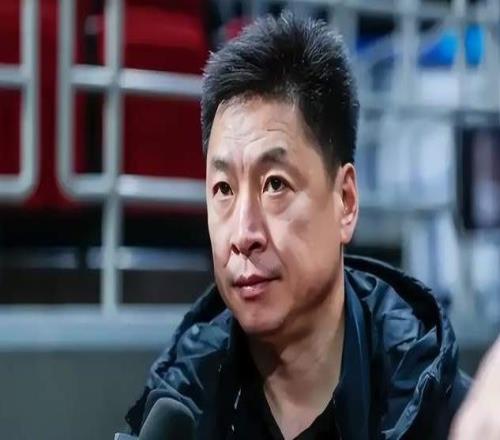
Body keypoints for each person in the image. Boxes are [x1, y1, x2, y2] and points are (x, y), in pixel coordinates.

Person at [125, 13, 471, 439]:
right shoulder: (179, 411)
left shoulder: (447, 416)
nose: (243, 234)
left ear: (345, 201)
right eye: (223, 189)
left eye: (275, 185)